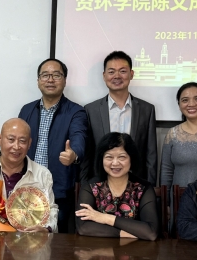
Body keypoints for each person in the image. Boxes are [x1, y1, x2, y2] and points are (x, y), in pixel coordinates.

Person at [18, 58, 87, 233]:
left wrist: (73, 154)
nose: (50, 80)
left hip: (57, 190)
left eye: (56, 75)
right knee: (23, 237)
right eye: (45, 75)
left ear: (64, 80)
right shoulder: (27, 110)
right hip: (26, 187)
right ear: (38, 81)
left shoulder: (76, 111)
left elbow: (79, 137)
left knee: (55, 238)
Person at [84, 51, 157, 184]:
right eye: (111, 72)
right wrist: (85, 187)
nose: (117, 76)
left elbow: (150, 155)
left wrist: (150, 187)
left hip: (136, 184)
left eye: (122, 71)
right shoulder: (91, 110)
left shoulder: (147, 110)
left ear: (131, 74)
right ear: (104, 76)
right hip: (100, 184)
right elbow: (87, 155)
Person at [75, 132, 159, 240]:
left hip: (135, 249)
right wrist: (121, 233)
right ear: (101, 159)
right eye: (109, 157)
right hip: (99, 249)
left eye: (122, 157)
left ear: (131, 158)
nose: (115, 163)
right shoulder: (91, 187)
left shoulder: (143, 188)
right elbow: (83, 227)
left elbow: (150, 232)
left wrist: (105, 218)